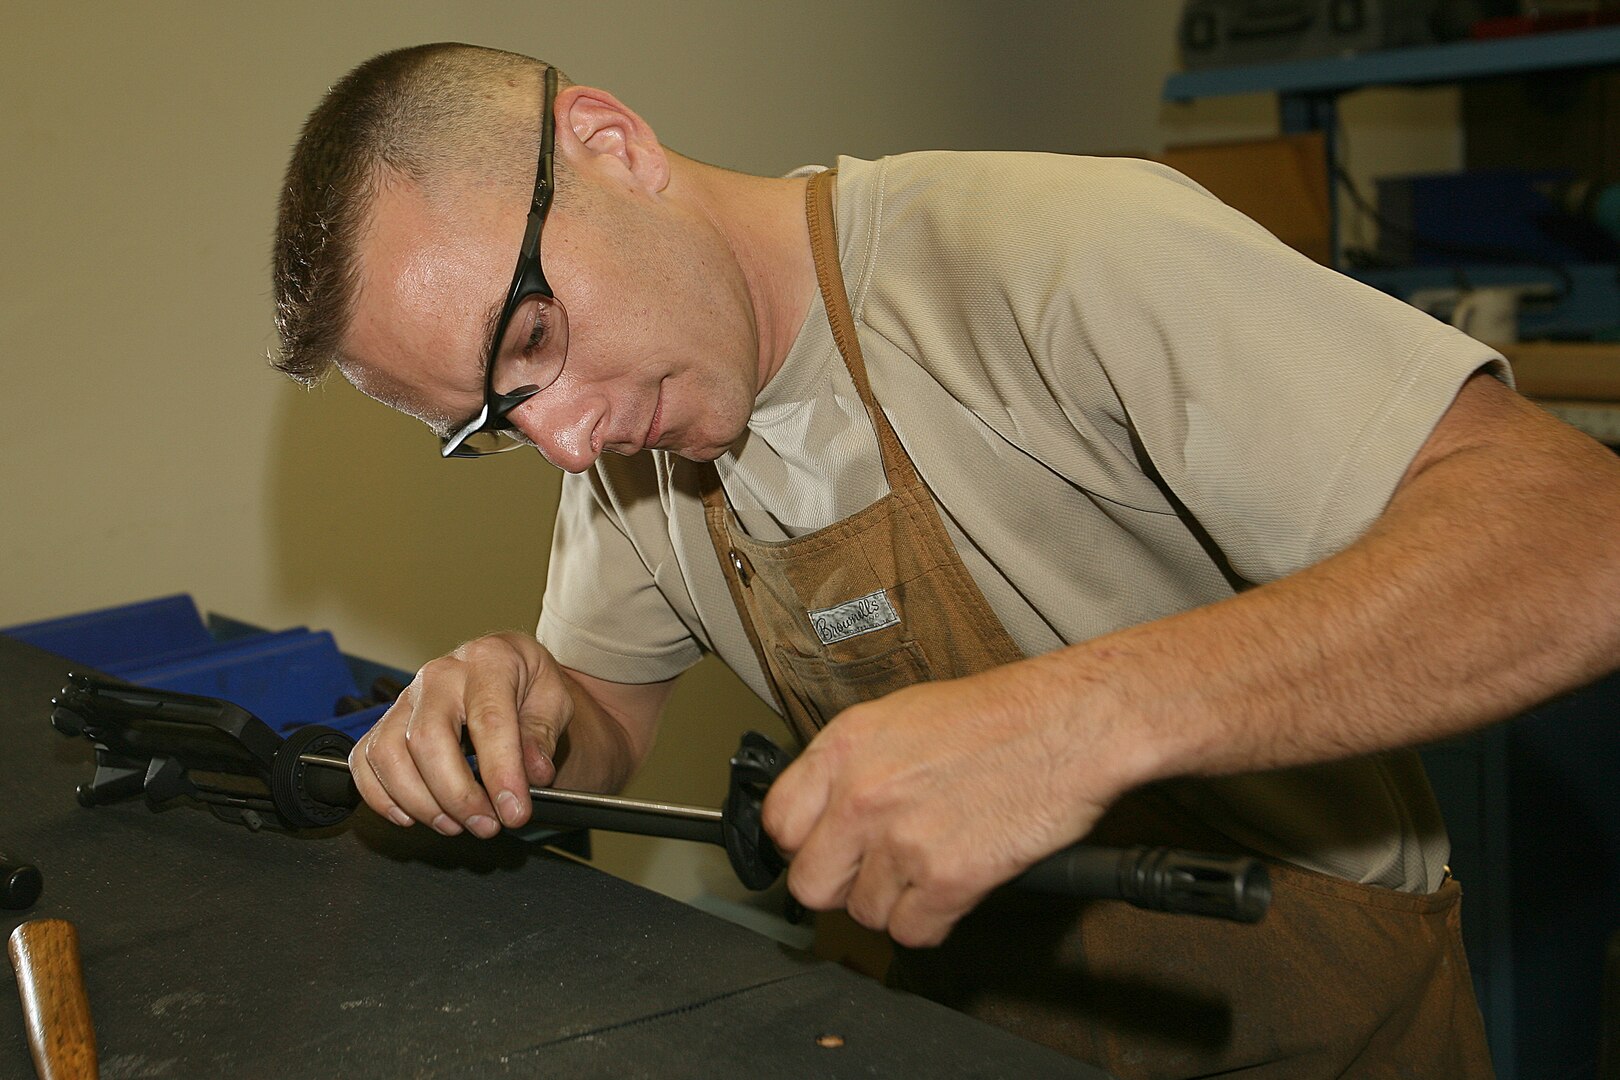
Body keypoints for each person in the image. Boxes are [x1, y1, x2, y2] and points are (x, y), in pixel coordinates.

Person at [270, 42, 1620, 1079]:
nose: (564, 444)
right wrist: (520, 712)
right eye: (490, 424)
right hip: (958, 1028)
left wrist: (1073, 727)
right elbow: (608, 716)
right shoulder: (626, 430)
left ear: (612, 145)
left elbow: (1582, 540)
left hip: (1311, 1017)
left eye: (529, 340)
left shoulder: (1050, 259)